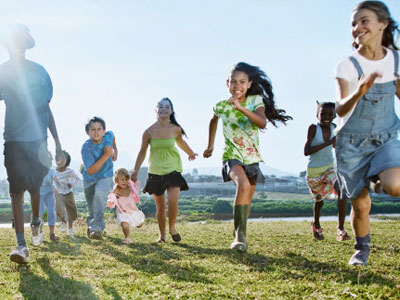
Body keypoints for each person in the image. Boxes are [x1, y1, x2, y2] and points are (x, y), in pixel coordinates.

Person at [335, 1, 400, 266]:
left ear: (382, 24)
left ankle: (378, 178)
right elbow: (340, 108)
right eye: (354, 23)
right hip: (350, 144)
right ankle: (361, 249)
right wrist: (359, 91)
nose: (357, 28)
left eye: (364, 21)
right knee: (360, 205)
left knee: (395, 185)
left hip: (384, 137)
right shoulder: (347, 65)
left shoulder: (395, 60)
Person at [203, 62, 292, 252]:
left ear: (249, 84)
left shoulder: (255, 101)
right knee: (242, 185)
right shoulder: (221, 106)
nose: (238, 85)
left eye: (242, 82)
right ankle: (238, 237)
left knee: (248, 195)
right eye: (233, 81)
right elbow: (213, 120)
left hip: (252, 157)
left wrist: (240, 108)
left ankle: (242, 234)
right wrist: (210, 146)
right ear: (227, 83)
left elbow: (261, 122)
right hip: (231, 155)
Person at [0, 24, 63, 264]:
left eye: (20, 41)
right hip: (13, 139)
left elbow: (47, 108)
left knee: (35, 187)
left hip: (37, 140)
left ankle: (36, 220)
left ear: (26, 45)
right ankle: (21, 245)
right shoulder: (3, 72)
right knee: (16, 189)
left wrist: (57, 143)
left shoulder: (39, 73)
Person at [131, 97, 197, 243]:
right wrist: (135, 170)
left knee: (173, 201)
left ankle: (172, 228)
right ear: (156, 110)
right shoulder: (148, 131)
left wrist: (191, 153)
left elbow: (181, 143)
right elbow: (142, 152)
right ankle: (162, 236)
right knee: (160, 207)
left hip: (173, 169)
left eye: (167, 107)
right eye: (160, 107)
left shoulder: (175, 129)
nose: (164, 109)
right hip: (155, 171)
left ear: (171, 110)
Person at [304, 101, 350, 241]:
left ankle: (341, 230)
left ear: (335, 116)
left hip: (329, 168)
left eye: (330, 114)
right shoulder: (313, 128)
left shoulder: (334, 127)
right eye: (323, 113)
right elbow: (307, 151)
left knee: (341, 191)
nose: (326, 117)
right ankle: (316, 224)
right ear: (317, 114)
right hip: (313, 172)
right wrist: (329, 143)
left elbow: (336, 146)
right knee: (319, 202)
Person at [81, 116, 117, 240]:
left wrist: (115, 150)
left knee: (100, 193)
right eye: (92, 129)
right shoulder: (86, 148)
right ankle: (92, 227)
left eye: (99, 129)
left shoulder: (107, 136)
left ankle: (96, 228)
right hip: (89, 178)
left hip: (106, 176)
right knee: (91, 207)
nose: (96, 132)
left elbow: (112, 136)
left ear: (103, 131)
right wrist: (107, 155)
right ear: (87, 132)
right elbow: (91, 171)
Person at [107, 168, 145, 244]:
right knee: (124, 224)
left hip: (132, 210)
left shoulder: (130, 186)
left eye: (126, 179)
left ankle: (138, 222)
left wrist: (136, 181)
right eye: (122, 180)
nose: (124, 181)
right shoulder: (117, 189)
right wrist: (111, 202)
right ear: (117, 180)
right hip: (123, 211)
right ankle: (127, 238)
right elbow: (112, 197)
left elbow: (136, 189)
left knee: (139, 225)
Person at [54, 150, 80, 236]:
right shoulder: (54, 171)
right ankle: (63, 221)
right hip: (58, 194)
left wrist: (71, 184)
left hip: (68, 193)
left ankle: (70, 229)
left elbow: (77, 179)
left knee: (71, 211)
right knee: (59, 211)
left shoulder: (70, 171)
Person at [39, 155, 59, 242]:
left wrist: (56, 187)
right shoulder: (37, 170)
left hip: (49, 193)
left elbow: (56, 182)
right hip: (38, 193)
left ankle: (52, 233)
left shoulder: (52, 171)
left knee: (51, 211)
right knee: (39, 212)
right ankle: (38, 232)